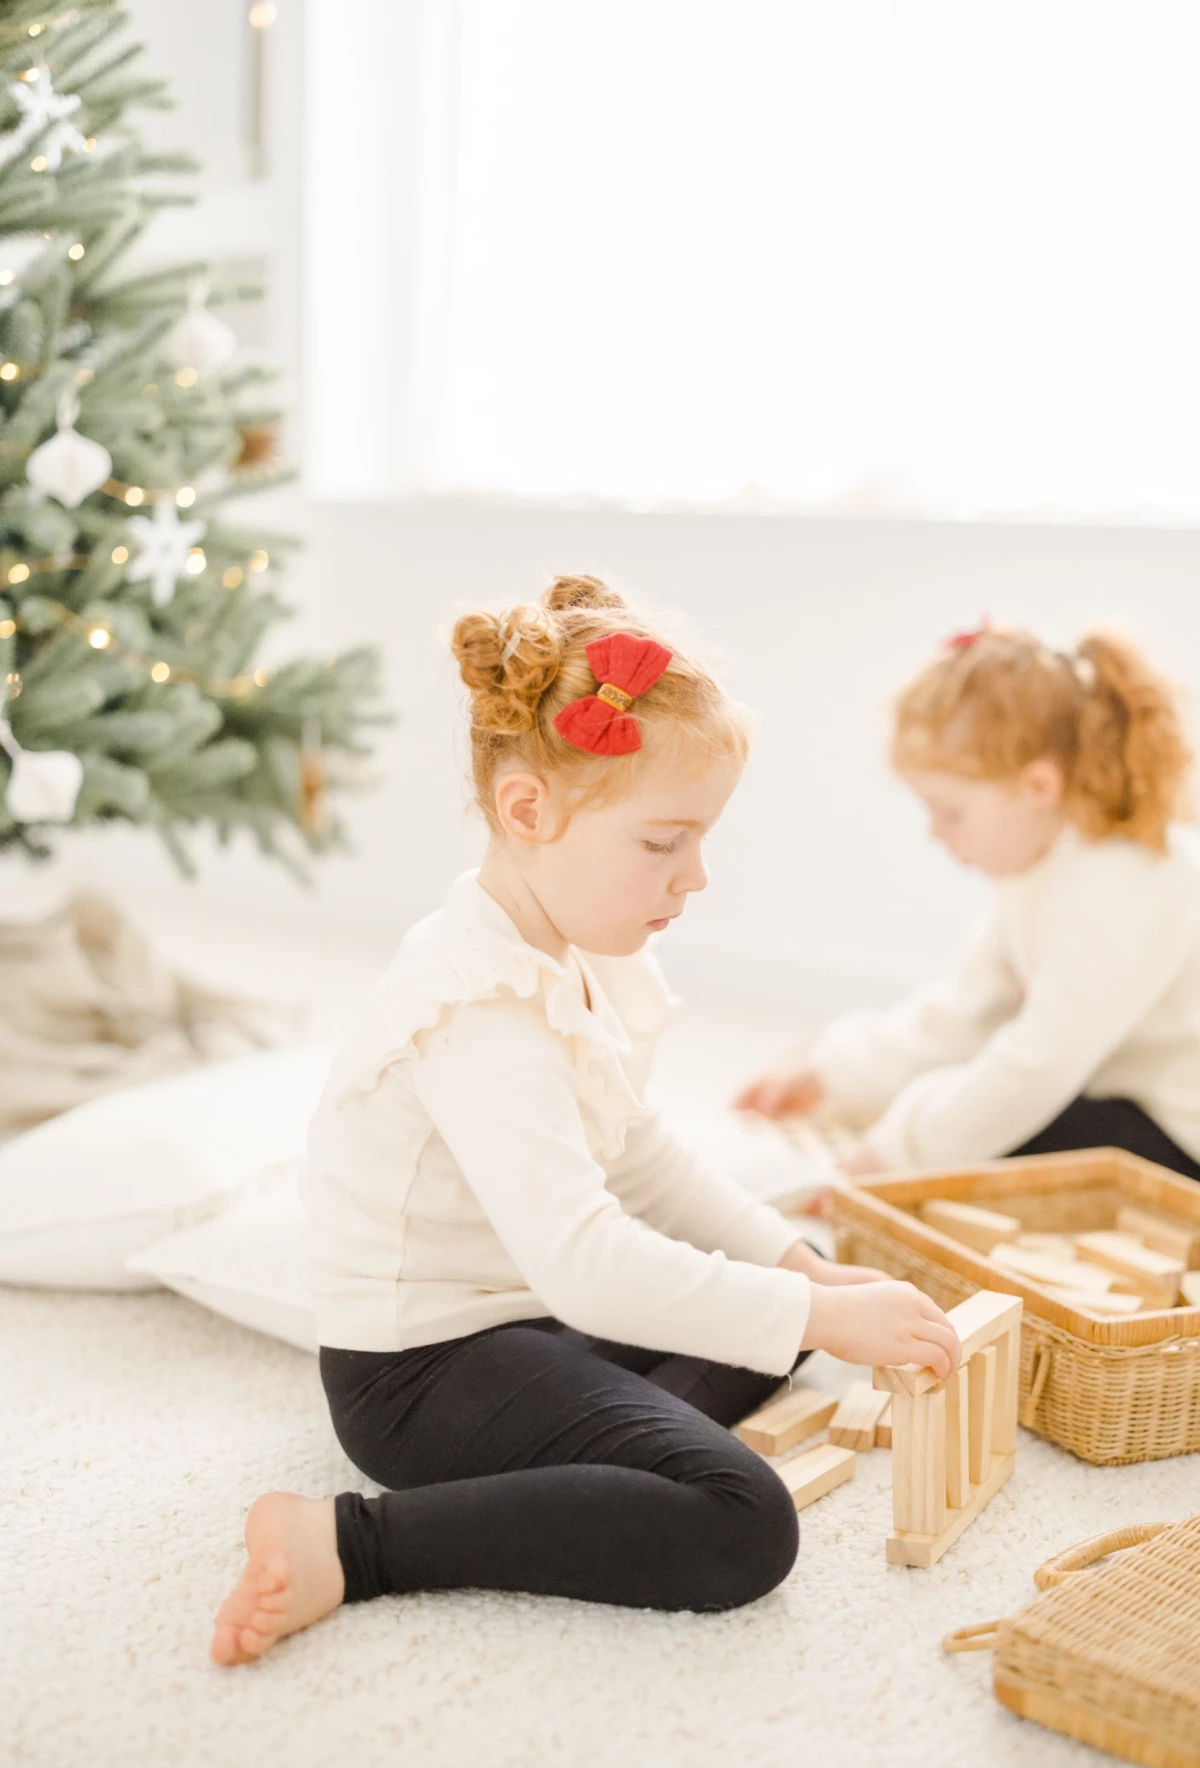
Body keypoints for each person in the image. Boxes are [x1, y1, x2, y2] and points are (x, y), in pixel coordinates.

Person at [211, 575, 958, 1664]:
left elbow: (641, 1150)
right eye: (663, 843)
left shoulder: (574, 948)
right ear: (529, 812)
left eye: (700, 842)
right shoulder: (474, 1005)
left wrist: (808, 1274)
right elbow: (588, 1266)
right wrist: (813, 1313)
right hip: (421, 1374)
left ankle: (610, 1454)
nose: (694, 877)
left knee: (781, 1306)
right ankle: (352, 1542)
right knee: (744, 1521)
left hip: (527, 1321)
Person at [737, 623, 1200, 1183]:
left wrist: (893, 1155)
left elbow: (1036, 1066)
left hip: (1180, 1136)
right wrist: (829, 1069)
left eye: (950, 813)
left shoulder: (1121, 884)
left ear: (1037, 788)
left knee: (1003, 1123)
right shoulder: (1038, 867)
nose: (935, 833)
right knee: (963, 1095)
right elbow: (965, 1016)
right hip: (1121, 1095)